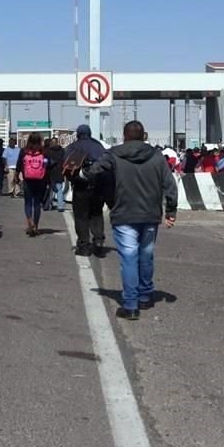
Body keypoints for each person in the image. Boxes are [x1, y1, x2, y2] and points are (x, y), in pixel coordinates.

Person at [70, 121, 178, 320]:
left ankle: (131, 304)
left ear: (124, 135)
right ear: (144, 135)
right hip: (150, 214)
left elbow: (94, 170)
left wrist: (80, 173)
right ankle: (145, 296)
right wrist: (171, 211)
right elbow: (170, 185)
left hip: (124, 213)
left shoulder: (114, 154)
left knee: (129, 257)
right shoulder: (156, 155)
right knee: (146, 256)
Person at [64, 124, 108, 256]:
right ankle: (99, 241)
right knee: (96, 214)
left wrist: (73, 180)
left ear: (78, 134)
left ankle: (83, 246)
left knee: (81, 217)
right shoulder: (98, 146)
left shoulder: (72, 147)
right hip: (97, 186)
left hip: (80, 188)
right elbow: (107, 165)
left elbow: (65, 166)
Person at [15, 133, 49, 236]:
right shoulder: (43, 151)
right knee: (37, 203)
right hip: (40, 180)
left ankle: (30, 221)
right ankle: (36, 225)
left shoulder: (24, 151)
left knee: (28, 202)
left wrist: (17, 176)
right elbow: (47, 164)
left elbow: (18, 165)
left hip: (28, 180)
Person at [45, 137, 66, 212]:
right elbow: (65, 161)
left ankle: (48, 205)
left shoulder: (47, 151)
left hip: (50, 172)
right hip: (59, 172)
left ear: (51, 143)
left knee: (50, 189)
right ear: (57, 142)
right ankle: (60, 206)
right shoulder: (62, 151)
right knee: (59, 189)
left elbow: (45, 163)